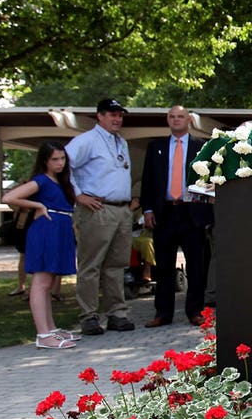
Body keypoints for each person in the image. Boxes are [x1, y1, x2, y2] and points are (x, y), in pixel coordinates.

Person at [66, 98, 136, 335]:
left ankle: (117, 313)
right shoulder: (86, 141)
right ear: (100, 116)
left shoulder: (121, 142)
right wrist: (78, 195)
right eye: (111, 114)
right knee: (91, 264)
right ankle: (89, 315)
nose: (117, 119)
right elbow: (64, 167)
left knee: (117, 265)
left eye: (119, 115)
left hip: (121, 209)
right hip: (97, 208)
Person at [1, 142, 80, 349]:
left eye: (62, 158)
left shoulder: (60, 181)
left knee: (49, 282)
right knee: (41, 282)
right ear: (45, 161)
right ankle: (43, 334)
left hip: (60, 229)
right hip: (47, 230)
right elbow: (9, 197)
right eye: (55, 159)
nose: (60, 163)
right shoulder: (41, 181)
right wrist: (38, 205)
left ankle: (51, 329)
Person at [140, 105, 212, 327]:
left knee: (196, 266)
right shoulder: (156, 147)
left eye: (180, 116)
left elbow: (209, 181)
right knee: (163, 265)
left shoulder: (202, 147)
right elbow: (148, 181)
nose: (176, 120)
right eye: (172, 117)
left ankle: (195, 311)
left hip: (192, 212)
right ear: (167, 120)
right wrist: (148, 210)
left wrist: (208, 213)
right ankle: (163, 312)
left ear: (189, 120)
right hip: (165, 212)